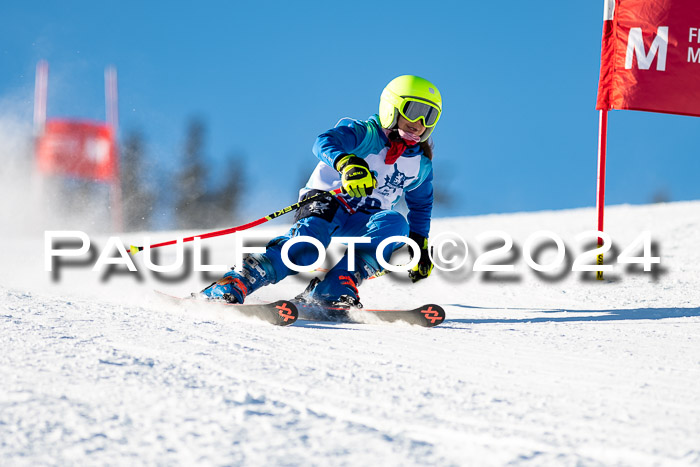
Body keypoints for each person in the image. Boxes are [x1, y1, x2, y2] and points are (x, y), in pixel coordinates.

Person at [200, 75, 442, 307]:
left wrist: (419, 242)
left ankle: (335, 286)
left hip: (365, 218)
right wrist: (347, 163)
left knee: (395, 225)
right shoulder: (365, 133)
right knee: (306, 250)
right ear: (393, 107)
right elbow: (324, 142)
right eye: (415, 111)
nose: (420, 123)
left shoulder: (420, 164)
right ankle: (236, 282)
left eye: (430, 116)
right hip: (328, 202)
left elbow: (421, 204)